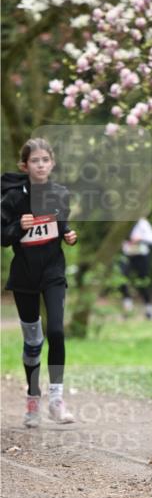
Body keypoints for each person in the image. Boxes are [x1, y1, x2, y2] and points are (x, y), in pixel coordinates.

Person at [1, 137, 78, 426]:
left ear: (52, 164)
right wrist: (17, 227)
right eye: (35, 160)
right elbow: (3, 238)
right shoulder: (13, 198)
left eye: (45, 160)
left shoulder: (60, 193)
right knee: (33, 342)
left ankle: (56, 400)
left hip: (53, 273)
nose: (41, 165)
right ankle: (33, 399)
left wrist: (70, 236)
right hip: (23, 277)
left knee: (56, 331)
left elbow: (62, 226)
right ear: (25, 165)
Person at [119, 216, 152, 318]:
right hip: (127, 256)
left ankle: (149, 309)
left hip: (141, 256)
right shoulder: (121, 222)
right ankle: (128, 308)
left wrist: (140, 238)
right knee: (121, 280)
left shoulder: (142, 223)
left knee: (143, 282)